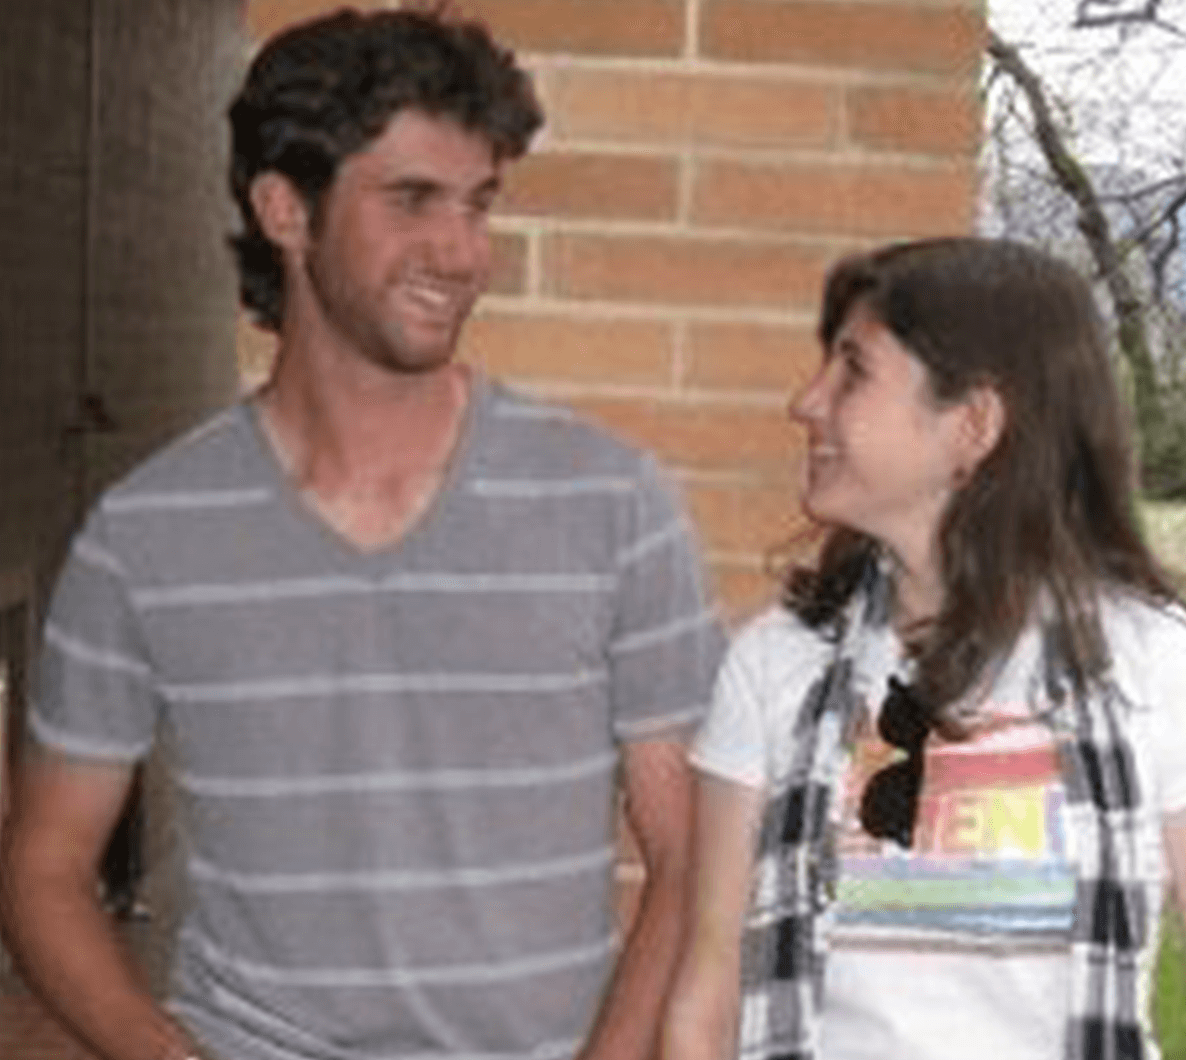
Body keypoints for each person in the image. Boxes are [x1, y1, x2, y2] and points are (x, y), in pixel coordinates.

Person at [0, 10, 723, 1060]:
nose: (462, 251)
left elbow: (690, 847)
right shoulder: (144, 533)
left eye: (479, 203)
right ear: (285, 209)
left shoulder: (612, 501)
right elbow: (45, 868)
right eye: (412, 199)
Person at [662, 238, 1186, 1060]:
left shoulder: (1166, 674)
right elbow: (706, 999)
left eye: (853, 370)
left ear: (974, 426)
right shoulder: (773, 664)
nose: (806, 401)